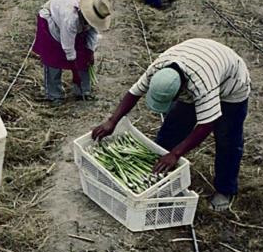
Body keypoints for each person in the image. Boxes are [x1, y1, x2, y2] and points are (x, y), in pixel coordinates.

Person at [91, 38, 251, 212]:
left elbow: (207, 124)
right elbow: (134, 92)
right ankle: (158, 175)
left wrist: (176, 153)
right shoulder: (158, 69)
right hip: (199, 61)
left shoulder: (202, 85)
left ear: (182, 89)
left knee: (227, 138)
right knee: (173, 126)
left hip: (231, 85)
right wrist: (112, 121)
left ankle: (225, 189)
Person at [33, 0, 113, 104]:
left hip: (69, 21)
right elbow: (68, 48)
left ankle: (83, 92)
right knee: (53, 57)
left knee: (84, 56)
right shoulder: (71, 19)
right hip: (50, 17)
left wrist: (90, 53)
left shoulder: (96, 10)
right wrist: (75, 74)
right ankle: (54, 95)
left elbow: (93, 34)